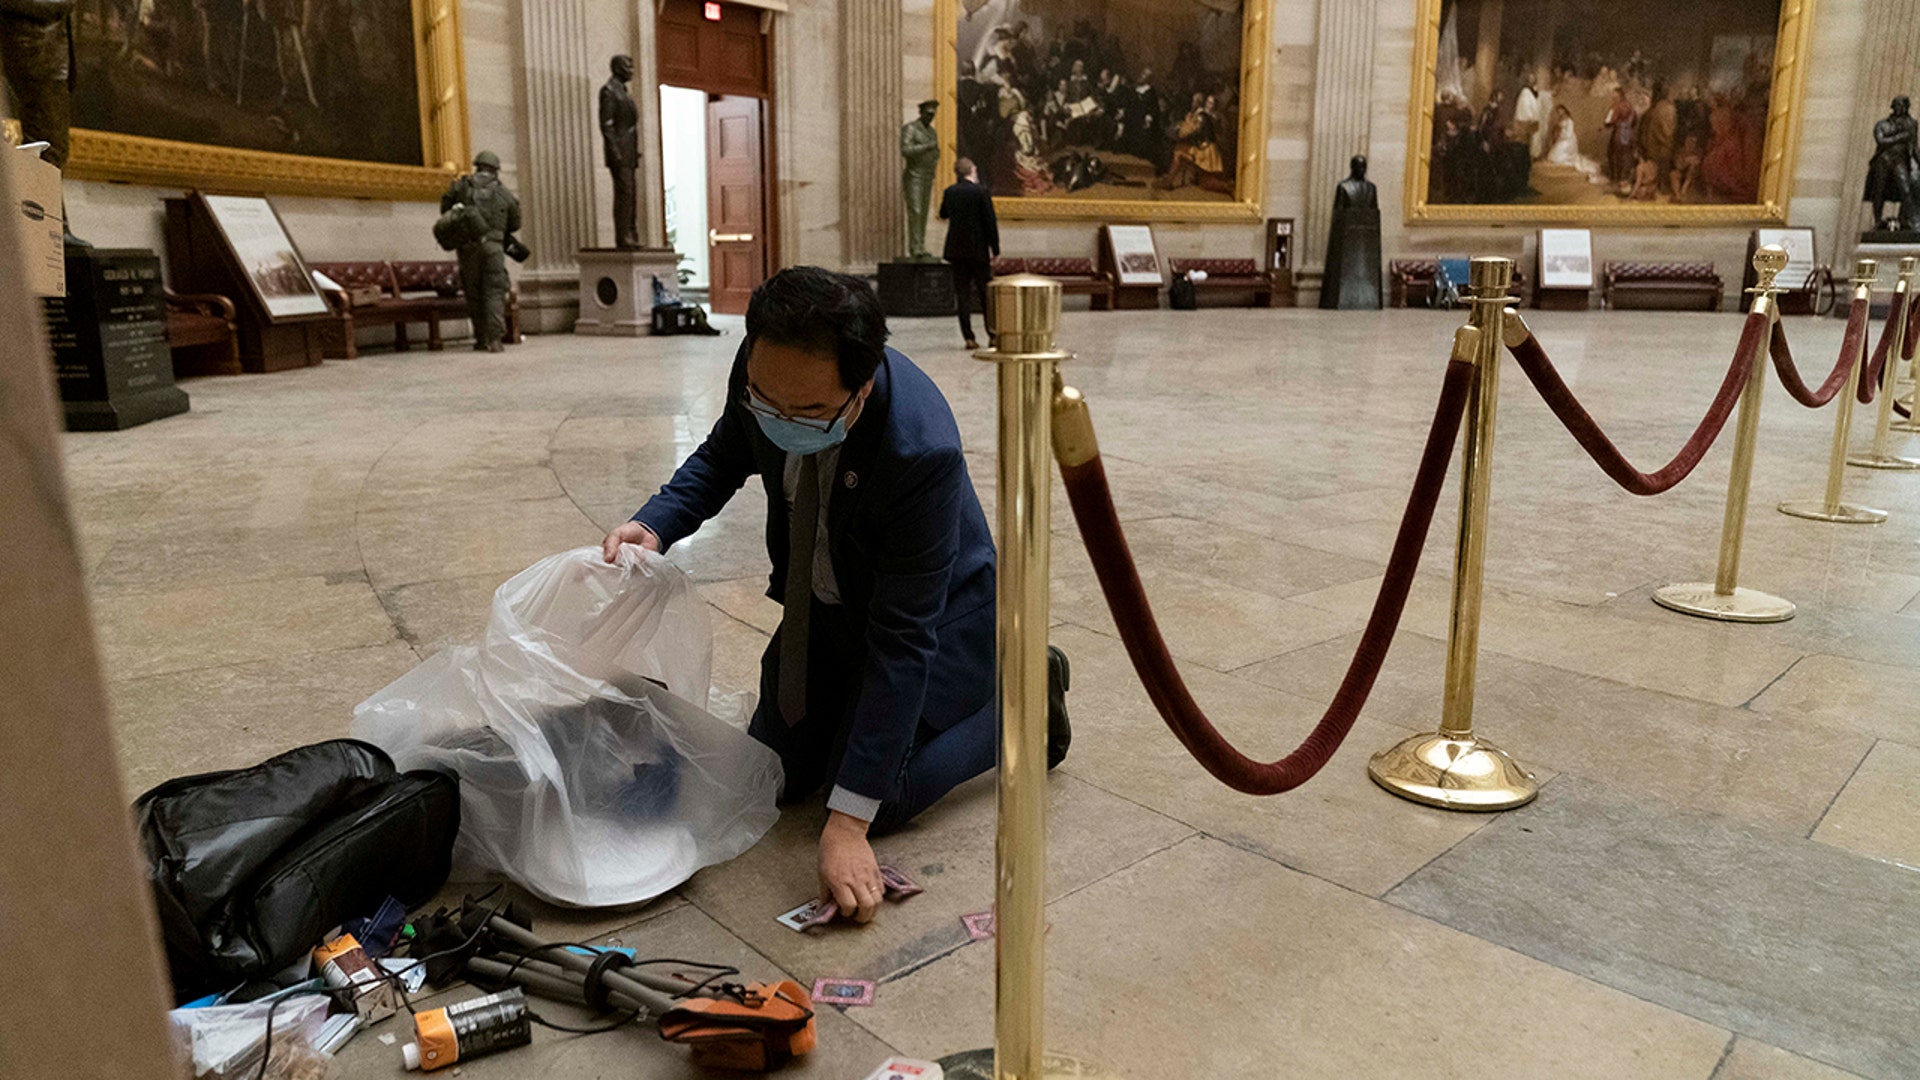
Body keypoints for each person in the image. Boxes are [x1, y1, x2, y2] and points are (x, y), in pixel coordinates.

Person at [600, 268, 1071, 924]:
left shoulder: (919, 450)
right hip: (825, 608)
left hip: (937, 620)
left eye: (812, 412)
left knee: (881, 796)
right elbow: (725, 451)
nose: (783, 420)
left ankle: (1025, 702)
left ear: (863, 385)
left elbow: (904, 639)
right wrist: (655, 524)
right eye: (769, 402)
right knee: (776, 770)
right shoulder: (769, 362)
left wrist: (849, 827)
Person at [440, 150, 521, 352]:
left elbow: (445, 209)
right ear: (495, 170)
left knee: (473, 293)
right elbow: (515, 223)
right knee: (494, 292)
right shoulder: (504, 194)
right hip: (493, 248)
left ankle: (480, 338)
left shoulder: (461, 187)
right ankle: (495, 340)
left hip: (468, 248)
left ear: (477, 166)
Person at [938, 157, 999, 350]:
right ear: (972, 170)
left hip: (956, 250)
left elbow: (944, 213)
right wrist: (995, 249)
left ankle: (969, 338)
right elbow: (990, 222)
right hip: (978, 250)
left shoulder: (950, 192)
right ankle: (993, 335)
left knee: (962, 295)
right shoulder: (981, 192)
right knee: (985, 294)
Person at [600, 54, 642, 249]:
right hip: (620, 153)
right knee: (624, 194)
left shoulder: (623, 91)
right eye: (628, 67)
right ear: (617, 68)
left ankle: (631, 233)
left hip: (629, 152)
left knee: (631, 194)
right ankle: (623, 236)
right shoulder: (609, 91)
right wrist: (615, 151)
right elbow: (607, 126)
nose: (631, 71)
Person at [900, 101, 941, 259]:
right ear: (921, 112)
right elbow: (905, 150)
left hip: (927, 174)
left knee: (923, 213)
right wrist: (926, 147)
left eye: (933, 115)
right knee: (915, 211)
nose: (930, 117)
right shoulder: (911, 128)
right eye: (928, 114)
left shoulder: (932, 131)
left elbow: (934, 149)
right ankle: (914, 247)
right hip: (914, 175)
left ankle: (920, 246)